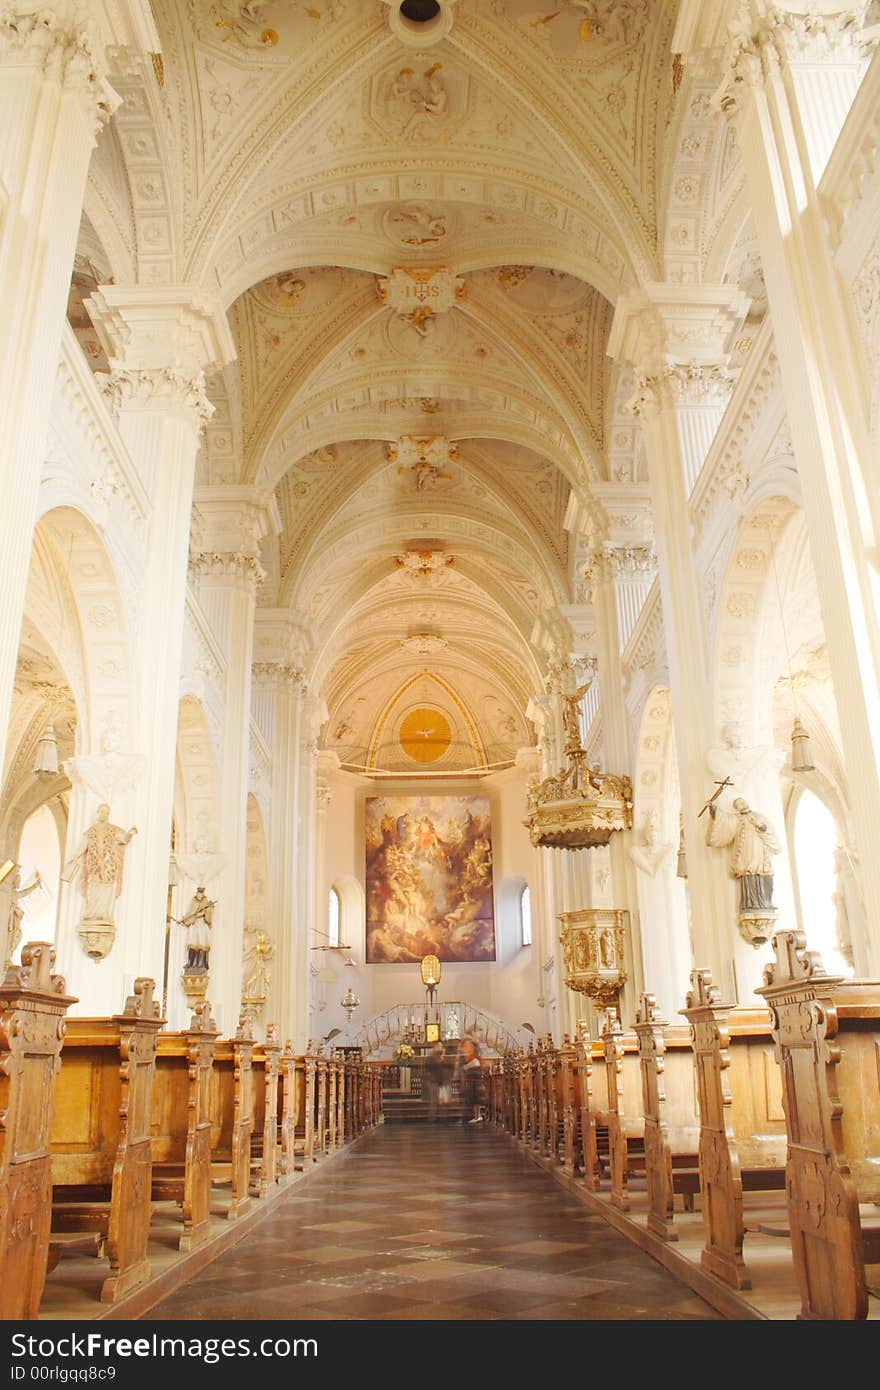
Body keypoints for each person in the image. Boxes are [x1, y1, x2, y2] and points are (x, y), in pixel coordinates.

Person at [179, 886, 215, 970]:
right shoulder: (193, 901)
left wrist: (204, 912)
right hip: (194, 923)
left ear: (203, 894)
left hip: (202, 924)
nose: (199, 895)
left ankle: (202, 963)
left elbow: (208, 912)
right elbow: (190, 912)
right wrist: (184, 919)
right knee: (193, 942)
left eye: (201, 893)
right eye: (198, 893)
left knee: (202, 942)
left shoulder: (206, 902)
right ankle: (191, 962)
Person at [459, 1037, 485, 1124]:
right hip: (470, 1078)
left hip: (475, 1078)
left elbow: (476, 1063)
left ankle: (477, 1115)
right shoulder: (465, 1056)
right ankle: (475, 1115)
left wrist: (466, 1067)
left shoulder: (475, 1056)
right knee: (472, 1098)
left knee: (475, 1097)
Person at [423, 1040, 450, 1123]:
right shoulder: (431, 1058)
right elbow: (428, 1069)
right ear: (435, 1048)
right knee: (434, 1102)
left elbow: (446, 1069)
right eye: (438, 1046)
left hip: (442, 1082)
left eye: (441, 1046)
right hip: (433, 1082)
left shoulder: (443, 1057)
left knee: (443, 1103)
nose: (440, 1048)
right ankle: (432, 1120)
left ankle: (443, 1119)